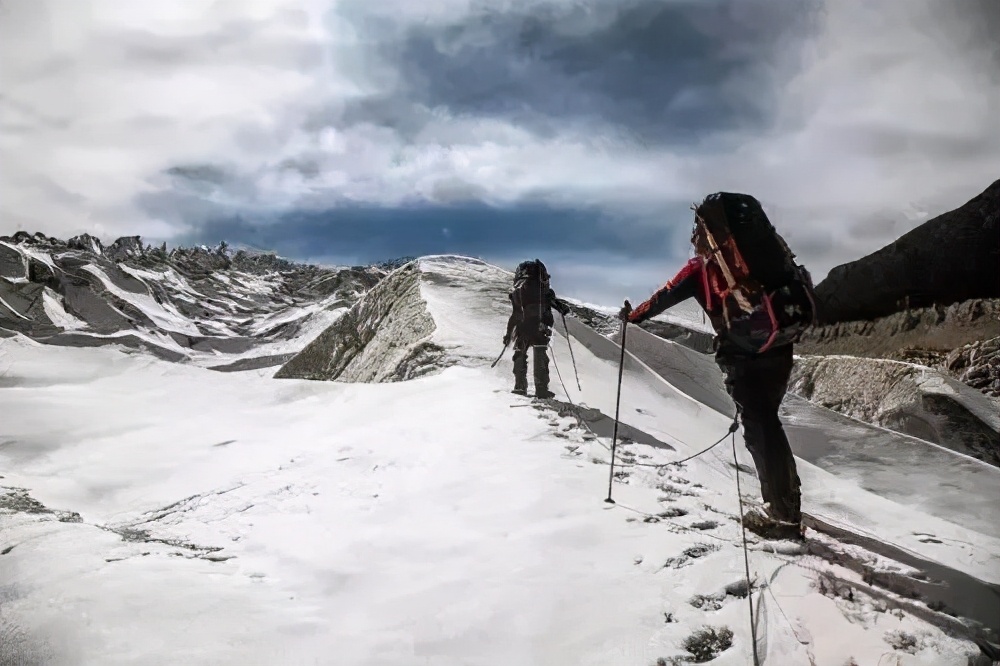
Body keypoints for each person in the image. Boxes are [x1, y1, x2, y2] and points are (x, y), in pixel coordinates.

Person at [618, 193, 816, 538]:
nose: (693, 239)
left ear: (707, 234)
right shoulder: (764, 257)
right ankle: (786, 498)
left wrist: (631, 316)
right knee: (768, 421)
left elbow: (661, 298)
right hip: (778, 346)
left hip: (742, 356)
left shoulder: (701, 270)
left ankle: (782, 515)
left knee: (760, 428)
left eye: (696, 232)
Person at [503, 259, 571, 399]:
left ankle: (520, 387)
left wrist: (508, 334)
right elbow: (557, 305)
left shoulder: (517, 292)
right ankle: (541, 389)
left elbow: (515, 315)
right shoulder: (544, 290)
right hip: (541, 327)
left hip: (523, 328)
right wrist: (562, 308)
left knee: (520, 355)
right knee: (540, 357)